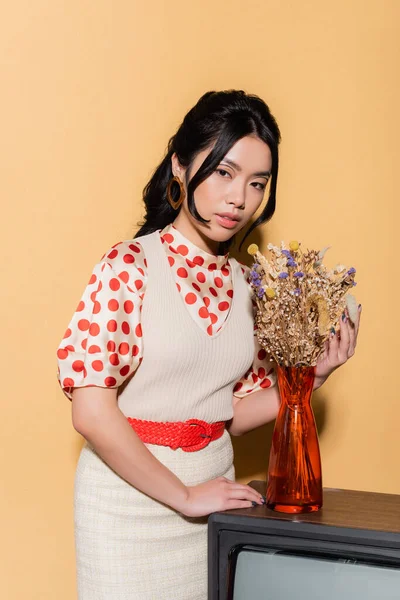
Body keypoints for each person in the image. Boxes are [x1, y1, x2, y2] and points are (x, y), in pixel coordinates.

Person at [56, 89, 360, 599]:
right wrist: (183, 495)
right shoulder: (128, 266)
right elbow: (90, 411)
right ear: (180, 165)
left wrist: (314, 375)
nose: (239, 198)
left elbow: (229, 413)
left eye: (256, 182)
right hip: (127, 510)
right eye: (224, 172)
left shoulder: (248, 284)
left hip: (215, 502)